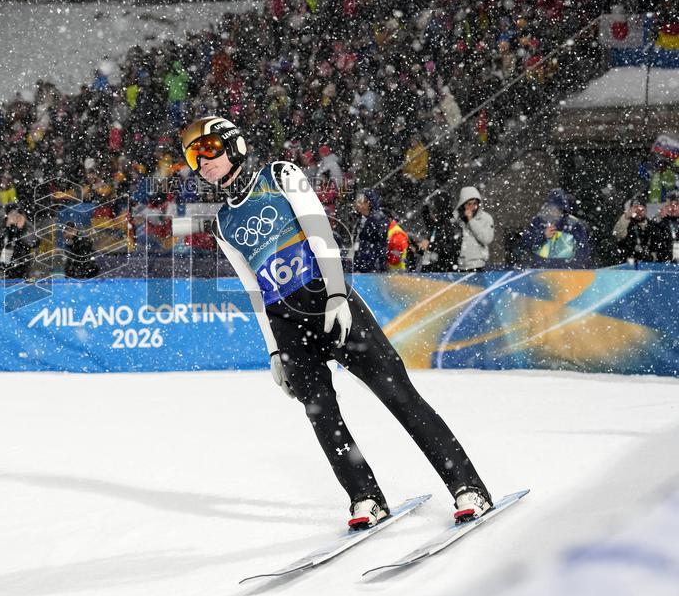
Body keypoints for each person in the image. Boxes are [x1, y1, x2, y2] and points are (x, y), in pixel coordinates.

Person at [181, 115, 493, 526]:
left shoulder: (280, 174)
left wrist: (335, 295)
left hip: (327, 303)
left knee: (399, 396)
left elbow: (320, 233)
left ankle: (468, 487)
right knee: (323, 416)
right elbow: (254, 290)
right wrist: (274, 350)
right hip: (286, 326)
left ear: (233, 144)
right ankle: (365, 497)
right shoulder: (222, 223)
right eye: (192, 156)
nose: (200, 162)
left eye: (207, 149)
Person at [520, 188, 592, 268]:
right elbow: (525, 245)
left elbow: (584, 251)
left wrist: (575, 267)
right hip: (540, 271)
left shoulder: (574, 224)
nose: (554, 212)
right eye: (551, 208)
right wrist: (543, 235)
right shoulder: (538, 222)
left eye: (558, 209)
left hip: (568, 272)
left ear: (563, 209)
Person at [412, 191, 462, 272]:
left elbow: (450, 249)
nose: (432, 214)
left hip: (442, 272)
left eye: (434, 209)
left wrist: (430, 246)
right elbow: (428, 222)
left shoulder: (449, 225)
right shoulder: (438, 224)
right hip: (434, 271)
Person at [0, 205, 34, 280]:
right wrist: (7, 227)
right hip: (1, 266)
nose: (15, 217)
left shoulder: (27, 227)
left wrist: (21, 229)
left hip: (21, 267)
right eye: (12, 214)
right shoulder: (3, 227)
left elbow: (33, 243)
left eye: (17, 214)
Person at [454, 186, 495, 271]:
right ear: (463, 204)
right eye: (469, 204)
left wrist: (471, 220)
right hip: (458, 265)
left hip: (478, 265)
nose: (472, 207)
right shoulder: (455, 219)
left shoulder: (486, 218)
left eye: (475, 203)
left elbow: (486, 239)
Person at [352, 189, 390, 272]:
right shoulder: (360, 219)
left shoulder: (379, 219)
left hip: (374, 268)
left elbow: (378, 246)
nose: (357, 204)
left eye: (360, 201)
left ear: (369, 203)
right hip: (362, 266)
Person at [611, 195, 654, 263]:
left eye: (642, 210)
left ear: (646, 211)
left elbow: (656, 243)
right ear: (630, 210)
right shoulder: (626, 222)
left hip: (646, 263)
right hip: (627, 263)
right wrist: (626, 218)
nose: (639, 212)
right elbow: (617, 234)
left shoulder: (651, 225)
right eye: (636, 209)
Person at [649, 190, 679, 263]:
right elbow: (652, 239)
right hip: (664, 263)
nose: (673, 208)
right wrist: (659, 218)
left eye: (677, 205)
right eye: (671, 205)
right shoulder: (660, 223)